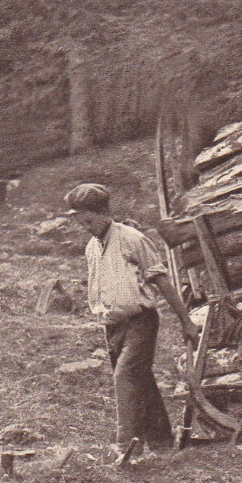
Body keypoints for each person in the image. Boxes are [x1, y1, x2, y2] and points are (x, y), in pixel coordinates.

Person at [64, 183, 200, 462]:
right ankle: (161, 441)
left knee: (124, 377)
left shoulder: (132, 239)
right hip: (112, 326)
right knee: (141, 381)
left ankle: (126, 444)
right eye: (81, 222)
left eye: (89, 220)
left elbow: (161, 280)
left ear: (105, 213)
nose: (86, 227)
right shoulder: (92, 247)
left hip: (141, 321)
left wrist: (186, 321)